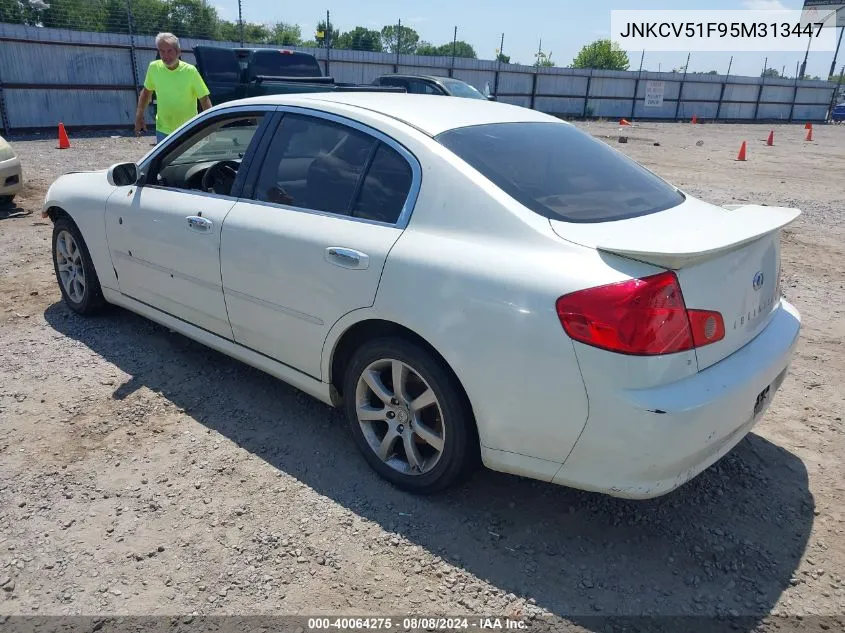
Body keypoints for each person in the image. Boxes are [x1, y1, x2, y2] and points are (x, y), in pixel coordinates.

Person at [134, 32, 212, 143]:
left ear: (178, 51)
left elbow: (204, 99)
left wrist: (209, 126)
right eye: (162, 51)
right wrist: (139, 115)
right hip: (163, 130)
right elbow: (146, 92)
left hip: (188, 129)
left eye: (170, 51)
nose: (166, 56)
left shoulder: (190, 71)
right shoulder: (154, 68)